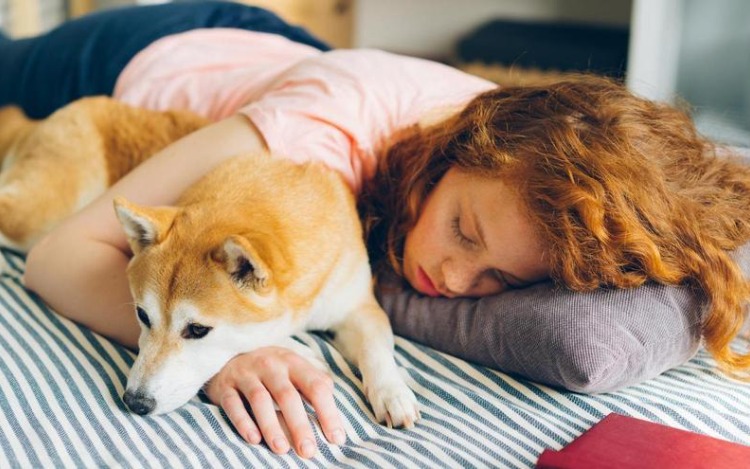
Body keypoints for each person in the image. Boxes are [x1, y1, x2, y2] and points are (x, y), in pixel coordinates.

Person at [3, 1, 749, 460]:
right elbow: (59, 256)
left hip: (277, 49)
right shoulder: (312, 135)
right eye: (462, 229)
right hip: (149, 49)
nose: (455, 280)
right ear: (456, 152)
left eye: (498, 279)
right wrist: (222, 352)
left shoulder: (540, 162)